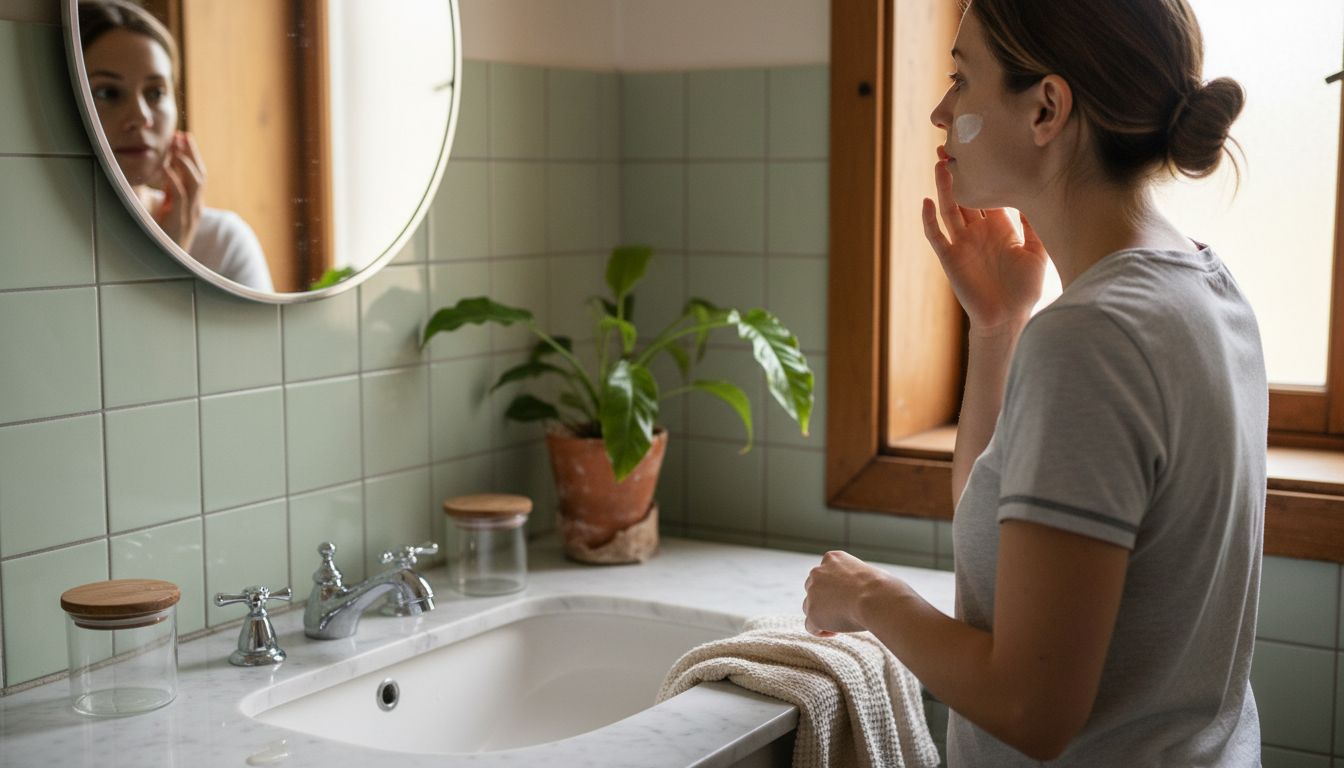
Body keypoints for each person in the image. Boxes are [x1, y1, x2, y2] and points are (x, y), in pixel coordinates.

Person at [801, 0, 1264, 765]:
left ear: (1047, 108)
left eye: (961, 78)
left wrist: (868, 597)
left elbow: (1031, 706)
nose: (940, 110)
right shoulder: (1205, 287)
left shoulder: (1093, 338)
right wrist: (997, 328)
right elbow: (1005, 546)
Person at [78, 0, 274, 292]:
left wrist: (175, 254)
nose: (141, 117)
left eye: (156, 93)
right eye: (108, 92)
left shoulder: (222, 243)